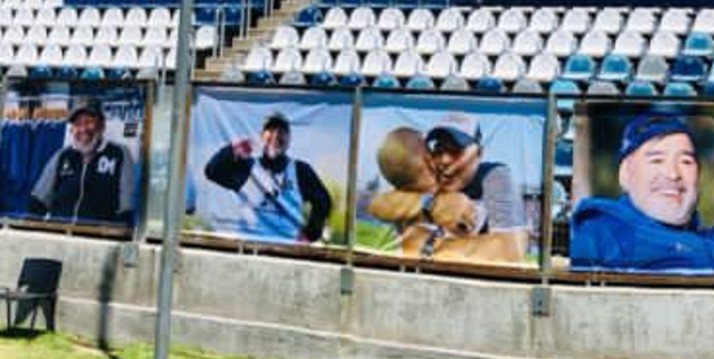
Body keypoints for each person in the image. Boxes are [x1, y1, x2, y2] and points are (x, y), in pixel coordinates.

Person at [570, 114, 714, 273]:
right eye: (656, 160)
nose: (673, 174)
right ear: (625, 174)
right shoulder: (600, 233)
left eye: (686, 162)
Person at [365, 112, 529, 264]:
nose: (444, 160)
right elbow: (378, 204)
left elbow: (510, 252)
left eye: (455, 150)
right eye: (438, 149)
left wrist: (428, 249)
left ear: (479, 154)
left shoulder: (493, 176)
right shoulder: (430, 181)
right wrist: (430, 204)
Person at [202, 110, 334, 244]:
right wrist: (233, 150)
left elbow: (323, 202)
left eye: (282, 131)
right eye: (270, 130)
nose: (276, 136)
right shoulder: (247, 167)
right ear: (261, 136)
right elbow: (212, 171)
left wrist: (310, 234)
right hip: (249, 246)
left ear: (289, 139)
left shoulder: (300, 170)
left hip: (287, 249)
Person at [28, 101, 136, 225]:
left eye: (89, 122)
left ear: (102, 126)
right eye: (78, 124)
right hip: (60, 234)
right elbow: (38, 200)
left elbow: (126, 208)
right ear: (72, 129)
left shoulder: (119, 154)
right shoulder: (62, 156)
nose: (83, 129)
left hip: (98, 237)